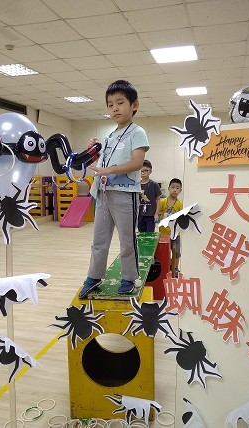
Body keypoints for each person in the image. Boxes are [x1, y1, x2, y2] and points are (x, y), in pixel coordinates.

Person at [79, 80, 149, 298]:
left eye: (120, 103)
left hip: (125, 195)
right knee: (99, 240)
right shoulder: (110, 136)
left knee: (127, 240)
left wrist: (109, 170)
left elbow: (137, 162)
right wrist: (93, 150)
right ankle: (94, 276)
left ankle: (129, 277)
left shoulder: (137, 132)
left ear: (134, 105)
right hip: (103, 193)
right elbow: (102, 163)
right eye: (110, 105)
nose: (115, 108)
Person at [158, 178, 183, 278]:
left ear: (180, 190)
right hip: (164, 233)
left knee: (176, 252)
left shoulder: (180, 204)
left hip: (175, 233)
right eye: (172, 187)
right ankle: (166, 268)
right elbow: (158, 212)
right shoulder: (163, 201)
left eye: (177, 188)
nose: (174, 190)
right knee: (165, 252)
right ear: (168, 188)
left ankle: (175, 268)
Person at [137, 160, 161, 232]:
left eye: (146, 170)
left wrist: (156, 213)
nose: (143, 172)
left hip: (151, 215)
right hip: (140, 215)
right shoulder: (137, 185)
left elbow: (158, 199)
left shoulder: (154, 185)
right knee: (141, 234)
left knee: (149, 234)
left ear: (150, 171)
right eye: (142, 171)